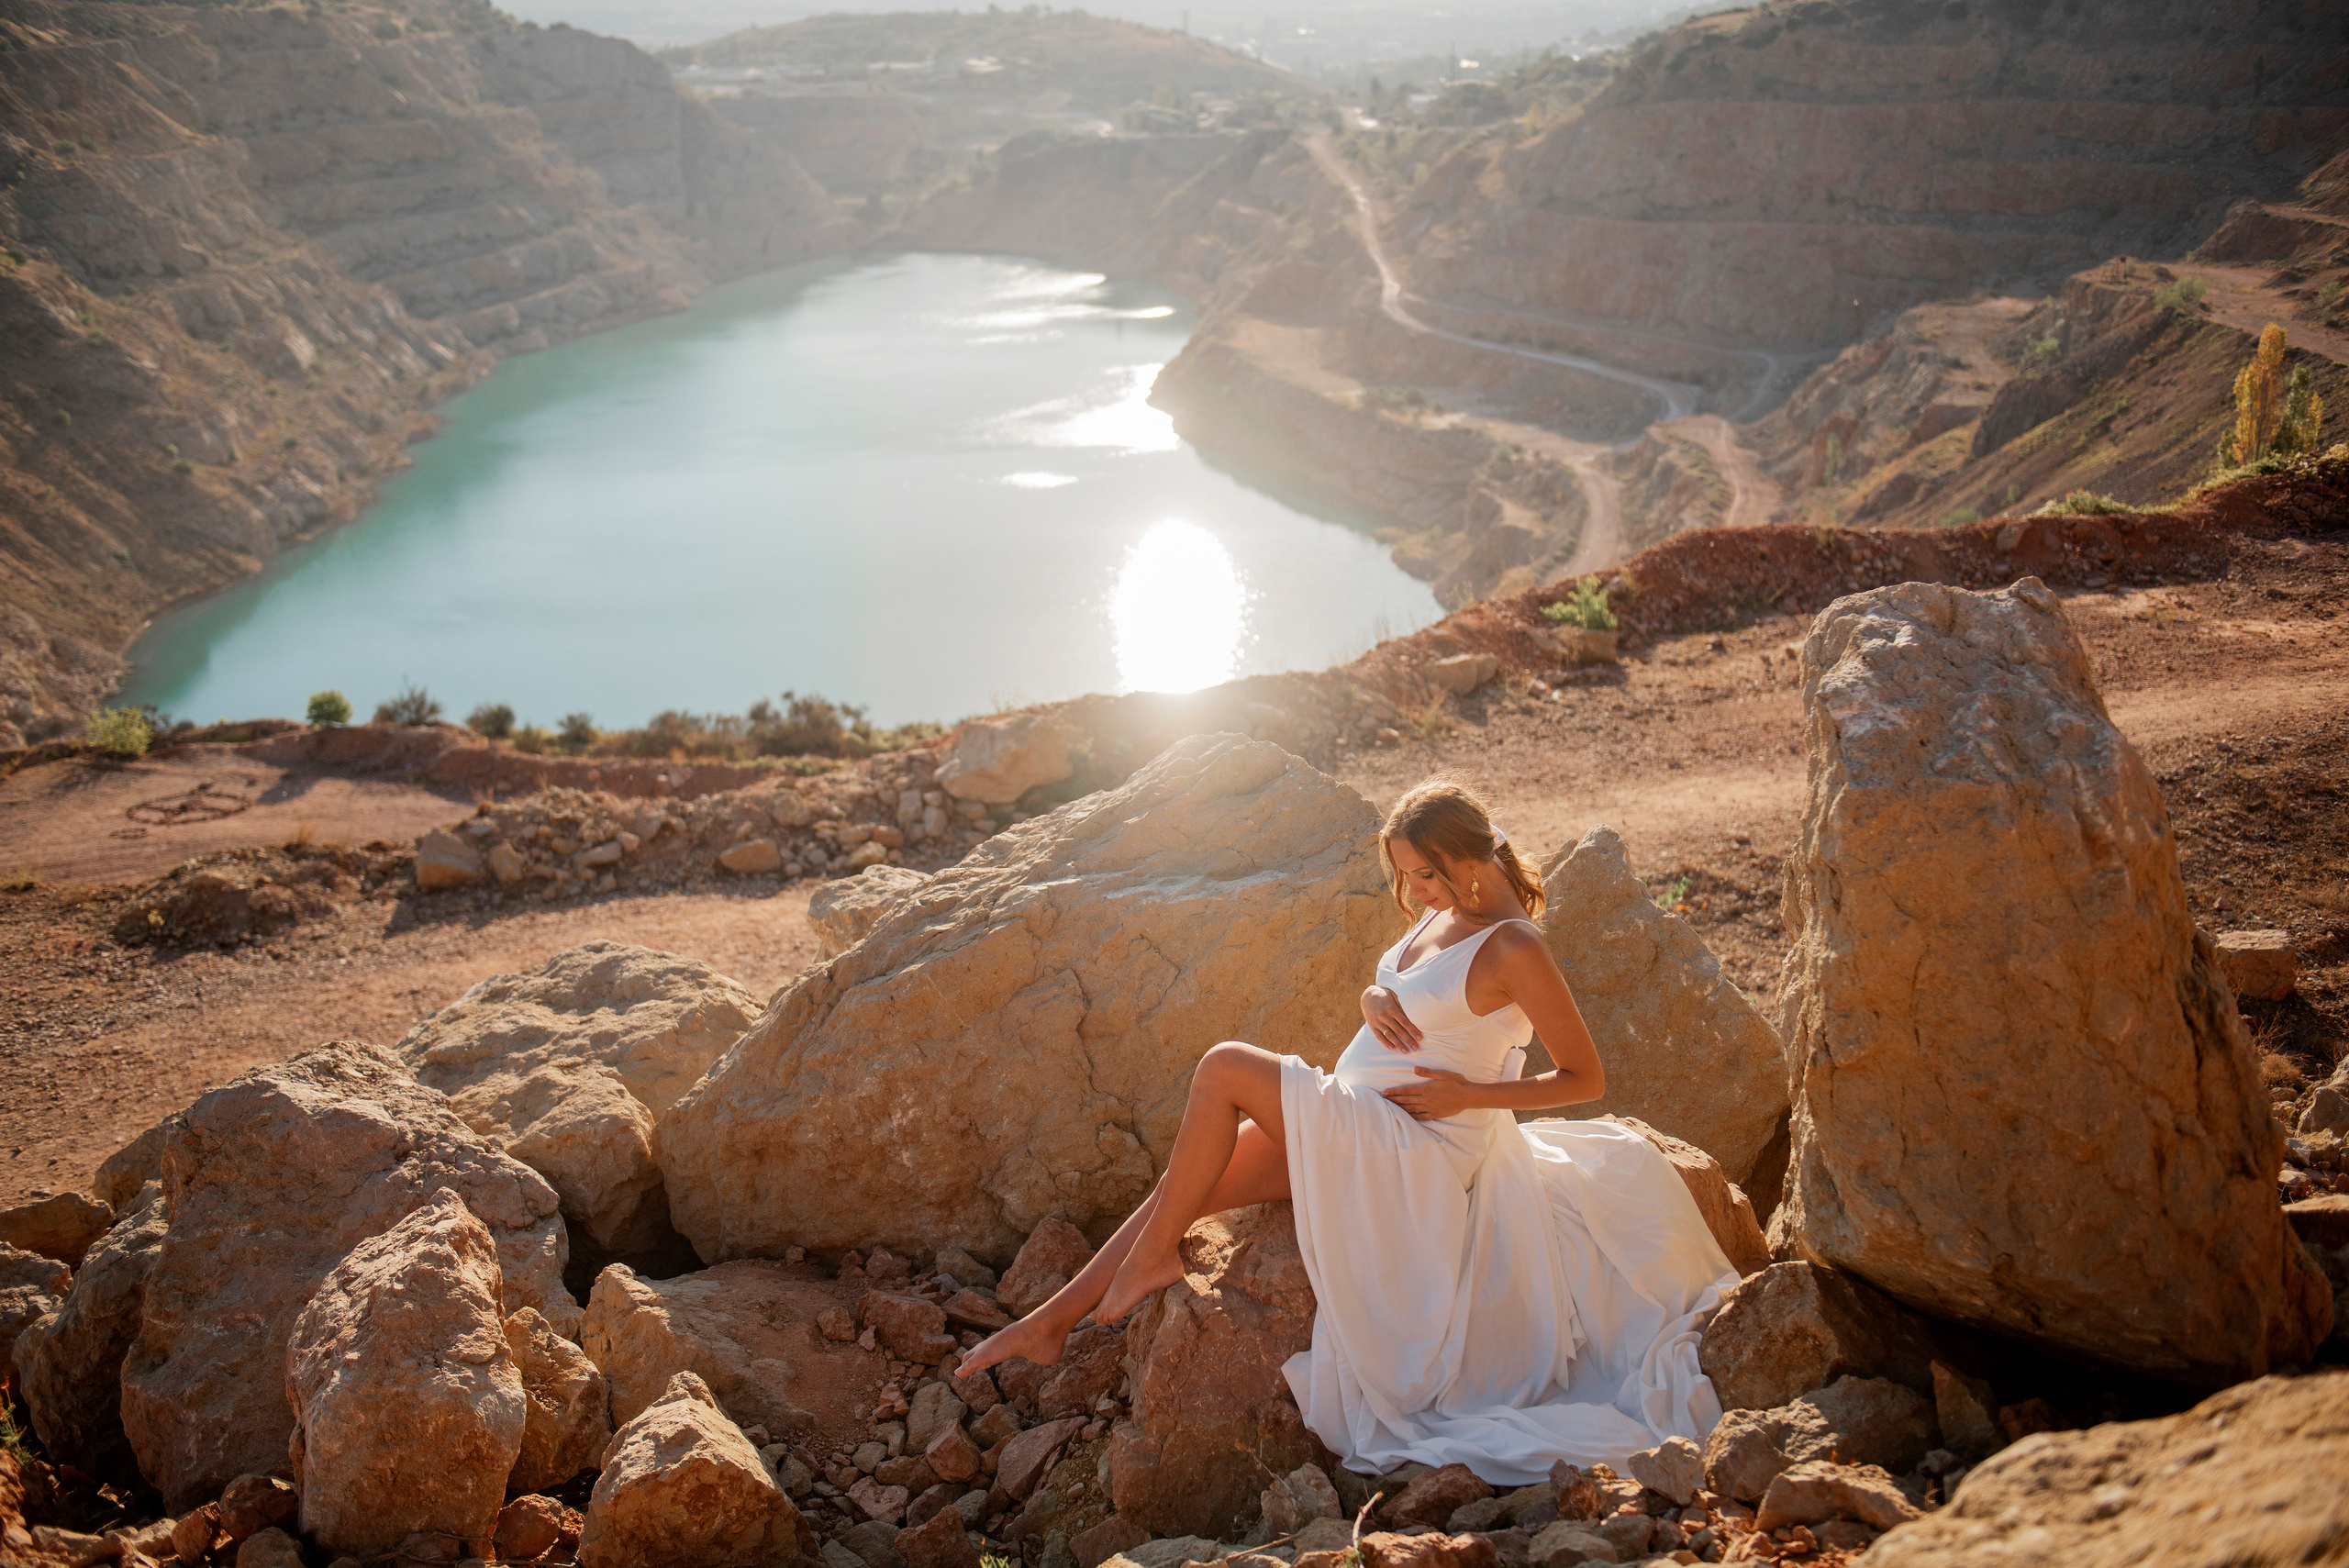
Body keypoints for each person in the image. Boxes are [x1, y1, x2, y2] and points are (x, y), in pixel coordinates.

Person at [963, 778, 1737, 1483]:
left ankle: (1149, 1260)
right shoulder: (1445, 908)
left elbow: (1585, 1078)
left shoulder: (1514, 945)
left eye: (1424, 872)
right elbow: (1410, 985)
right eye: (1403, 873)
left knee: (1225, 1066)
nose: (1413, 889)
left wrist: (1472, 1090)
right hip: (1358, 1122)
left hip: (1416, 1151)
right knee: (1183, 1185)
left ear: (1470, 856)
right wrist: (1373, 994)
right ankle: (1049, 1321)